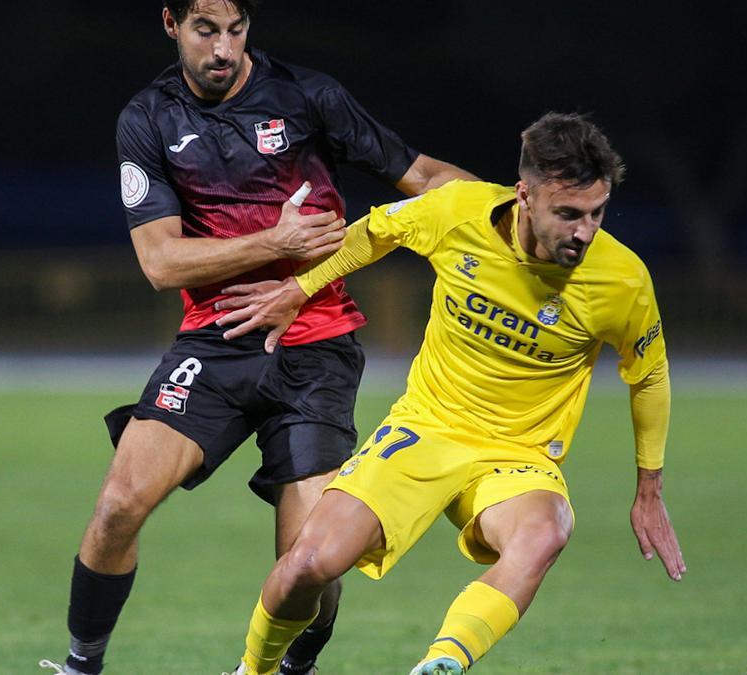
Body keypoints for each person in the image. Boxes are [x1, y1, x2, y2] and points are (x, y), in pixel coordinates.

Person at [39, 2, 473, 674]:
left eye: (235, 30)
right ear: (170, 24)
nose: (222, 49)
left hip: (316, 345)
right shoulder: (149, 118)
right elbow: (160, 262)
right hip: (215, 342)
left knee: (308, 565)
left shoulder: (308, 96)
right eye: (205, 31)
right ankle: (79, 665)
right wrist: (276, 240)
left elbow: (425, 178)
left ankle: (299, 658)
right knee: (118, 503)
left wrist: (511, 209)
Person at [213, 112, 687, 675]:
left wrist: (649, 488)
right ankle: (253, 671)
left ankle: (442, 665)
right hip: (426, 430)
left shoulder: (622, 279)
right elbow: (376, 231)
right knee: (308, 565)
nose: (584, 231)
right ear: (525, 196)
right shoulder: (458, 211)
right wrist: (301, 287)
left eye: (595, 213)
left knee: (546, 530)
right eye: (568, 214)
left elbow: (649, 376)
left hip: (518, 455)